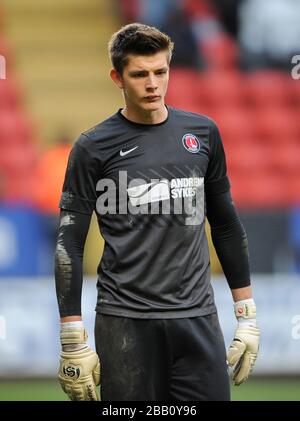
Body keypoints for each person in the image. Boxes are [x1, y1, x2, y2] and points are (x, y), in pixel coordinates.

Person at [55, 23, 260, 401]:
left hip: (197, 317)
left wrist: (246, 315)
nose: (152, 84)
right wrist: (72, 336)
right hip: (125, 322)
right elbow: (70, 240)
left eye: (160, 72)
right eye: (140, 74)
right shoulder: (92, 148)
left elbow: (227, 225)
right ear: (117, 77)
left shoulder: (203, 134)